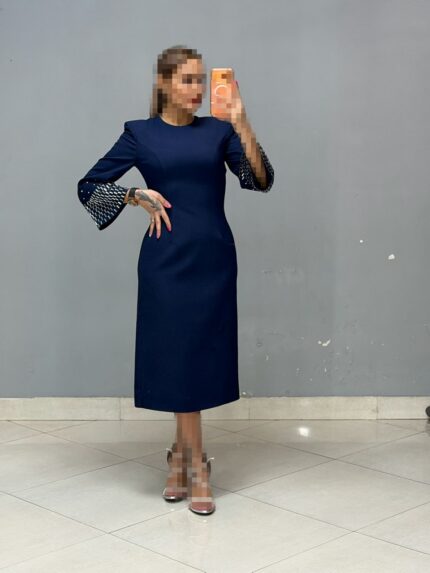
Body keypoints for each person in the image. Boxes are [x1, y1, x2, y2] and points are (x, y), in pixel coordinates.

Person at [77, 45, 274, 515]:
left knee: (197, 359)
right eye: (187, 80)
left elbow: (261, 180)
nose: (197, 89)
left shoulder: (219, 132)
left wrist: (242, 122)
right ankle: (197, 464)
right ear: (164, 83)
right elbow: (89, 186)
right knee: (177, 358)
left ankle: (180, 457)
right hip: (165, 261)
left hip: (213, 258)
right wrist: (133, 195)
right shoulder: (140, 134)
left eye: (201, 80)